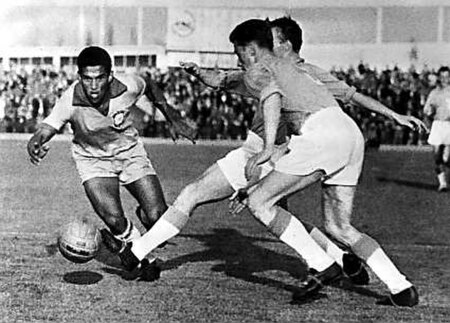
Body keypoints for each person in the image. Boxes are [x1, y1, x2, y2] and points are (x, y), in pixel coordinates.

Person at [115, 20, 418, 307]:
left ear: (253, 49)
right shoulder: (299, 71)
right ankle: (400, 287)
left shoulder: (260, 68)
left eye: (238, 53)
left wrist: (269, 149)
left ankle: (323, 263)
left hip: (309, 137)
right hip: (349, 133)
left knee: (259, 202)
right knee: (338, 226)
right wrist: (394, 115)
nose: (238, 60)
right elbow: (226, 80)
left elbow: (270, 95)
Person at [27, 46, 197, 274]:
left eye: (99, 79)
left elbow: (149, 85)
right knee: (114, 219)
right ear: (80, 77)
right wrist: (36, 141)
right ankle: (141, 258)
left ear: (109, 75)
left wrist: (172, 116)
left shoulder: (127, 86)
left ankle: (138, 233)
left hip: (129, 154)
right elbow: (48, 127)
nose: (94, 86)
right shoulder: (70, 100)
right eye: (87, 79)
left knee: (157, 218)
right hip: (92, 160)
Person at [424, 66, 450, 191]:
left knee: (446, 158)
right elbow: (427, 109)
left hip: (449, 126)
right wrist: (429, 112)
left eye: (447, 76)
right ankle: (442, 183)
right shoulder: (434, 93)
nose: (445, 79)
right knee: (437, 156)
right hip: (438, 125)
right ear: (439, 78)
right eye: (442, 76)